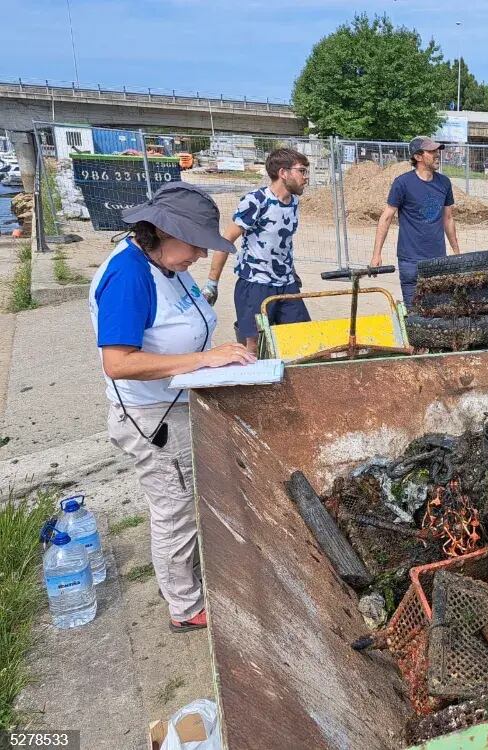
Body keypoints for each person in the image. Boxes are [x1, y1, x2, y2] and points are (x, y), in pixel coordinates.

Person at [89, 183, 256, 632]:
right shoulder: (129, 276)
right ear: (163, 231)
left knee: (187, 502)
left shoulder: (164, 263)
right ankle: (185, 606)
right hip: (152, 418)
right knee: (174, 509)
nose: (201, 255)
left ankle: (192, 581)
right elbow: (118, 362)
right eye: (196, 244)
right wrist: (205, 358)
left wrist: (219, 355)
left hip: (178, 401)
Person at [202, 148, 310, 351]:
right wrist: (211, 284)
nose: (306, 177)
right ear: (283, 172)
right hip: (256, 284)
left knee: (300, 339)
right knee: (254, 345)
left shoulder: (293, 202)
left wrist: (291, 271)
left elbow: (282, 242)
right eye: (301, 171)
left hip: (286, 284)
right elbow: (226, 240)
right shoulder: (256, 201)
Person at [370, 136, 461, 307]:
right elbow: (386, 217)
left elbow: (448, 218)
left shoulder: (444, 183)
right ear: (418, 157)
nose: (437, 155)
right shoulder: (403, 183)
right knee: (414, 312)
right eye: (432, 151)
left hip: (437, 259)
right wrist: (376, 254)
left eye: (437, 151)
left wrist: (456, 252)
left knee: (438, 311)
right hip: (410, 260)